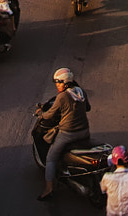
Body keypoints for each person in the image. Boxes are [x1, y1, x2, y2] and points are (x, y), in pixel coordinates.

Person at [34, 68, 94, 201]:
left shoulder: (62, 97)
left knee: (50, 157)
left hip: (68, 134)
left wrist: (40, 114)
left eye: (59, 83)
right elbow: (88, 108)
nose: (57, 85)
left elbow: (50, 115)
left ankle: (48, 189)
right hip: (84, 132)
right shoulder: (81, 92)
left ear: (66, 83)